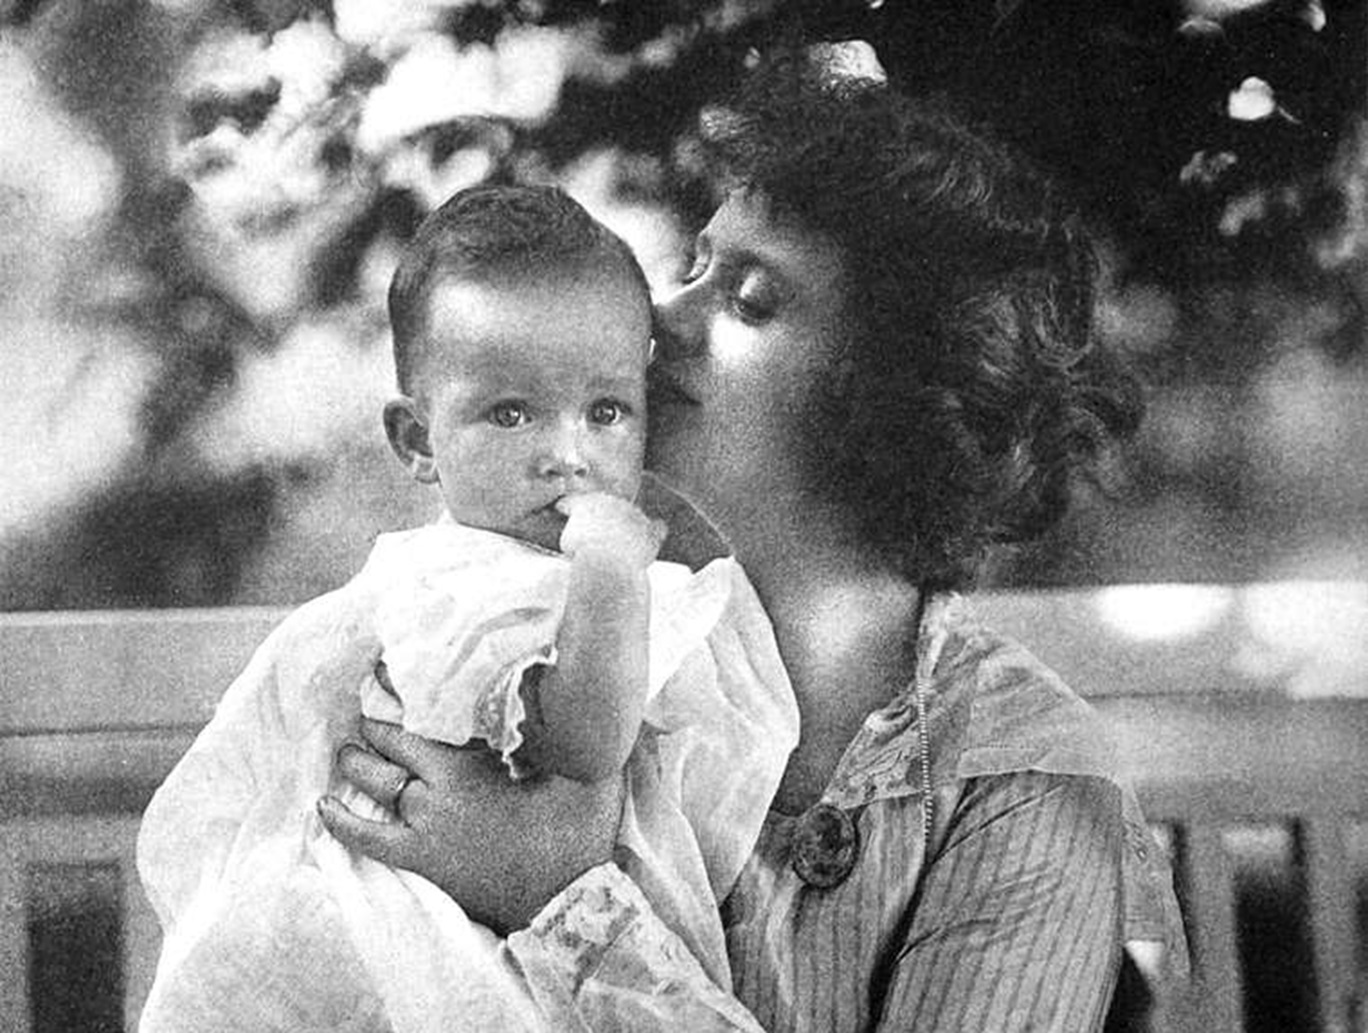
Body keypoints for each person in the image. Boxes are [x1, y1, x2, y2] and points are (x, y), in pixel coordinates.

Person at [318, 53, 1191, 1033]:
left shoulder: (1023, 783)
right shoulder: (565, 644)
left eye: (748, 297)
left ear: (898, 395)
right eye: (693, 266)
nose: (657, 319)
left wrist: (558, 901)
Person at [135, 184, 798, 1033]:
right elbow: (587, 743)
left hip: (545, 918)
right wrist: (610, 570)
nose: (568, 456)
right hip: (437, 953)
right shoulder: (465, 594)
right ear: (418, 441)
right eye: (510, 413)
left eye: (606, 412)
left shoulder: (539, 578)